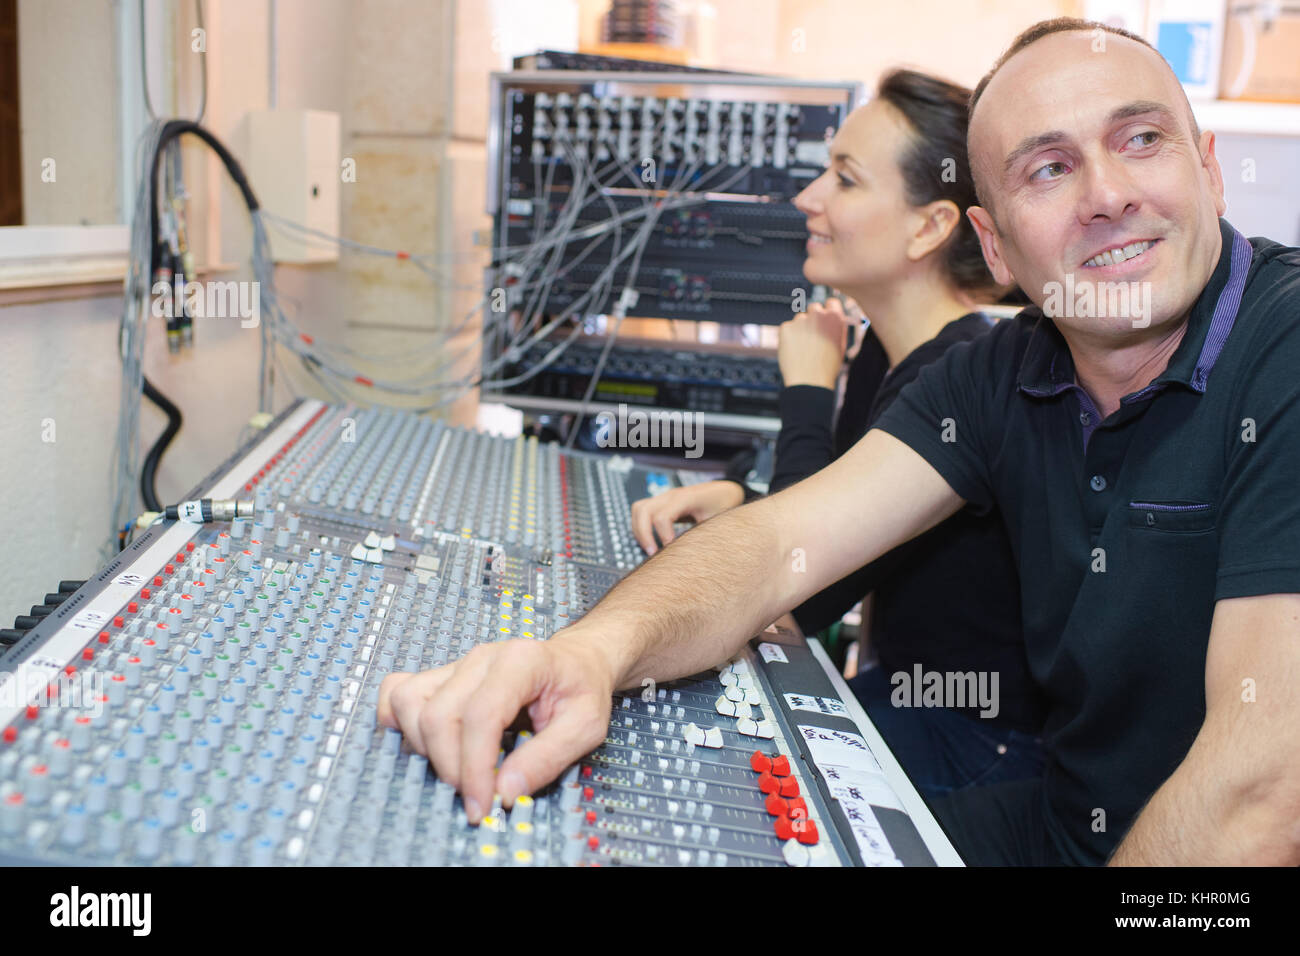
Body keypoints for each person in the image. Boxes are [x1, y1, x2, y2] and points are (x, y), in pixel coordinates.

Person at [378, 18, 1300, 866]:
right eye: (1048, 170)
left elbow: (1260, 799)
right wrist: (592, 652)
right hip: (1064, 826)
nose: (1109, 194)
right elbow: (782, 546)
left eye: (1141, 140)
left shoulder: (1285, 345)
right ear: (998, 245)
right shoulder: (1000, 372)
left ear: (1209, 169)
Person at [628, 69, 1045, 799]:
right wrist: (743, 491)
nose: (808, 199)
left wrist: (809, 387)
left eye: (845, 180)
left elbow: (800, 593)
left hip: (976, 750)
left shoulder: (957, 373)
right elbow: (835, 510)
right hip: (908, 697)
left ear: (930, 226)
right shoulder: (895, 348)